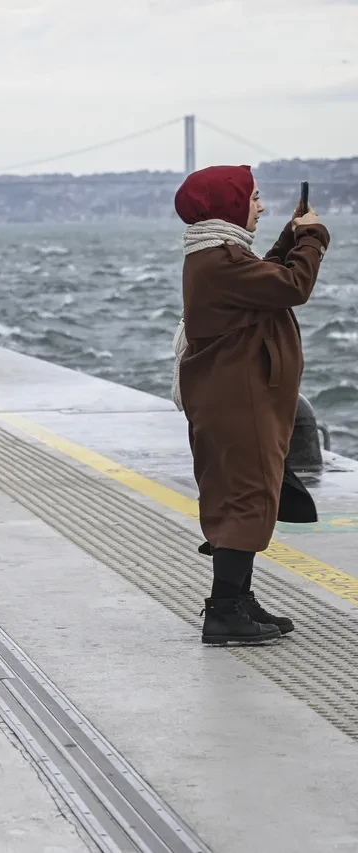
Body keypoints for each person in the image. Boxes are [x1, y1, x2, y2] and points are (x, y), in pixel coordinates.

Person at [174, 165, 329, 646]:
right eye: (255, 197)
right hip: (240, 398)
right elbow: (291, 286)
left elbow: (268, 278)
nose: (260, 205)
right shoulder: (222, 262)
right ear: (228, 204)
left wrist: (288, 236)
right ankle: (224, 610)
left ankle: (237, 600)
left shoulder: (220, 256)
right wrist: (314, 238)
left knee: (246, 497)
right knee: (246, 499)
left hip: (235, 395)